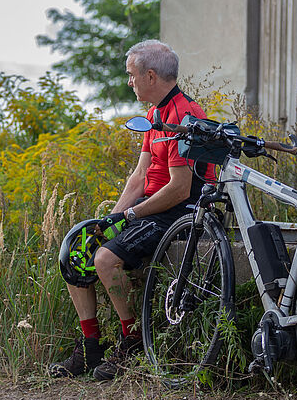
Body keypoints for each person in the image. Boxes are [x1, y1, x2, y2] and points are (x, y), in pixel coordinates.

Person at [49, 40, 210, 380]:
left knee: (105, 260)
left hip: (178, 210)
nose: (129, 82)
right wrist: (107, 221)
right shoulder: (155, 115)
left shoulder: (185, 116)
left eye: (132, 75)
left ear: (151, 76)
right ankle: (91, 347)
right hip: (150, 206)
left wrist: (132, 215)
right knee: (81, 247)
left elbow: (180, 188)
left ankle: (132, 339)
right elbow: (139, 176)